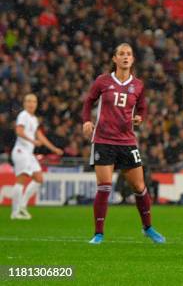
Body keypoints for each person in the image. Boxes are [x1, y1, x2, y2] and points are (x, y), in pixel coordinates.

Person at [82, 43, 165, 244]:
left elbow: (142, 108)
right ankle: (98, 233)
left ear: (133, 59)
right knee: (105, 186)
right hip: (103, 140)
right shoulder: (102, 81)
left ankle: (148, 228)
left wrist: (139, 118)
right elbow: (88, 102)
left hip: (127, 141)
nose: (125, 57)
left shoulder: (138, 85)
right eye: (121, 53)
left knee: (139, 186)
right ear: (115, 58)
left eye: (129, 54)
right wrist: (86, 120)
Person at [10, 94, 63, 219]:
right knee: (21, 180)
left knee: (39, 178)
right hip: (20, 151)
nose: (31, 103)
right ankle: (15, 212)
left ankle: (22, 206)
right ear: (24, 103)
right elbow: (19, 131)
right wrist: (32, 141)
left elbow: (40, 136)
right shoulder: (23, 115)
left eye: (33, 101)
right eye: (28, 101)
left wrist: (54, 149)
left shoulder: (33, 119)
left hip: (28, 153)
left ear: (36, 104)